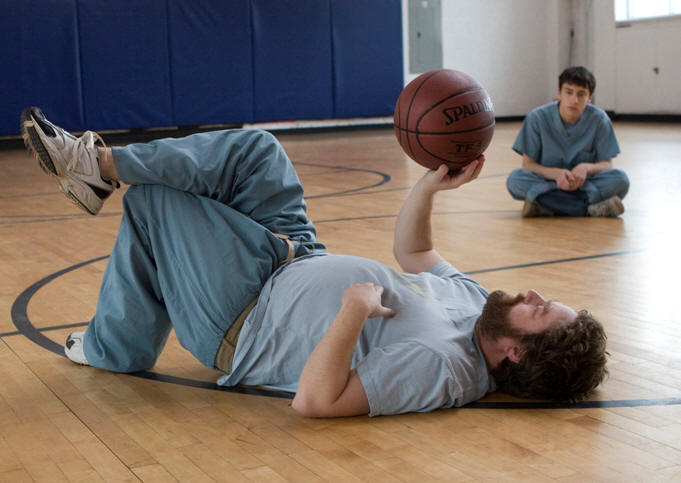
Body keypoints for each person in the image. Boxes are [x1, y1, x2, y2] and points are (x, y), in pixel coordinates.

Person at [21, 106, 608, 418]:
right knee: (258, 150)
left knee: (156, 200)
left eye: (539, 311)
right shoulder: (479, 307)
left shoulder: (445, 370)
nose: (531, 295)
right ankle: (93, 168)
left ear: (516, 352)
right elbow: (416, 253)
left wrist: (353, 311)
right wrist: (431, 188)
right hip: (291, 258)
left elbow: (317, 402)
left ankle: (113, 348)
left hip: (241, 318)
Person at [506, 66, 630, 217]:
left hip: (584, 185)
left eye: (581, 94)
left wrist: (585, 168)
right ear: (559, 93)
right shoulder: (537, 118)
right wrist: (556, 174)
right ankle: (587, 209)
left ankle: (546, 206)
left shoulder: (599, 120)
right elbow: (528, 164)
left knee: (620, 179)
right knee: (515, 180)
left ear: (590, 98)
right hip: (549, 183)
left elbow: (607, 164)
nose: (574, 100)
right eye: (569, 92)